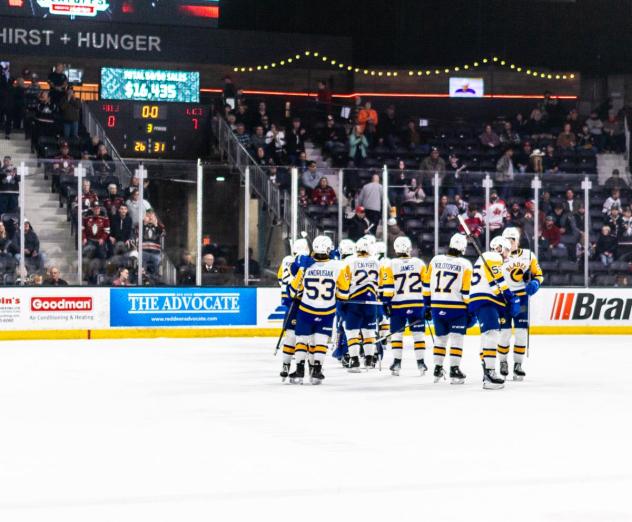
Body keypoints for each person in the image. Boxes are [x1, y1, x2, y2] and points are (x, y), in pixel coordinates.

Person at [287, 235, 351, 384]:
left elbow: (292, 291)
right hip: (327, 311)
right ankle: (317, 370)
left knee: (302, 340)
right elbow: (344, 294)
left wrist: (300, 268)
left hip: (306, 310)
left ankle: (300, 369)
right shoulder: (338, 266)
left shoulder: (306, 266)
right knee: (321, 341)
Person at [469, 236, 520, 390]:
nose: (508, 255)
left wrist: (505, 299)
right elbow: (497, 281)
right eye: (507, 250)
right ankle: (490, 373)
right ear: (499, 247)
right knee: (492, 333)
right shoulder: (492, 256)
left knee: (486, 335)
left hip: (480, 299)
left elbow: (494, 283)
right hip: (485, 299)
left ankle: (486, 373)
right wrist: (511, 299)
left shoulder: (485, 257)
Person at [423, 233, 472, 385]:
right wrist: (470, 309)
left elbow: (426, 285)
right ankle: (454, 369)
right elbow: (466, 293)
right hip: (456, 308)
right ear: (463, 248)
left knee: (440, 338)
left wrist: (427, 305)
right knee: (457, 339)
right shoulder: (465, 264)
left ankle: (437, 368)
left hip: (437, 306)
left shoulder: (435, 260)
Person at [498, 227, 544, 381]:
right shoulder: (497, 257)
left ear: (517, 241)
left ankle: (518, 364)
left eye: (513, 240)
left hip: (522, 297)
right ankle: (503, 362)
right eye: (508, 240)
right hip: (504, 298)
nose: (510, 243)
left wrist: (535, 283)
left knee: (521, 333)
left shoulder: (528, 255)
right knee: (504, 333)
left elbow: (539, 275)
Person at [381, 236, 427, 376]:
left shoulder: (390, 264)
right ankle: (421, 363)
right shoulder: (419, 263)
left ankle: (396, 363)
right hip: (417, 304)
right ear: (409, 249)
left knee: (397, 335)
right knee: (418, 335)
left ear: (395, 249)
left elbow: (388, 288)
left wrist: (385, 303)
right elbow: (426, 286)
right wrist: (427, 304)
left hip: (398, 305)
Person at [341, 236, 381, 371]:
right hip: (371, 302)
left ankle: (355, 361)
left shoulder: (349, 261)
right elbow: (382, 283)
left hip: (354, 301)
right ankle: (369, 360)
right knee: (369, 331)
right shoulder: (377, 262)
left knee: (352, 332)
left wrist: (342, 300)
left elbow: (344, 283)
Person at [277, 238, 310, 379]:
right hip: (305, 303)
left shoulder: (286, 260)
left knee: (290, 335)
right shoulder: (308, 262)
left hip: (289, 301)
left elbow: (280, 279)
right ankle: (303, 365)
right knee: (304, 337)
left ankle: (285, 365)